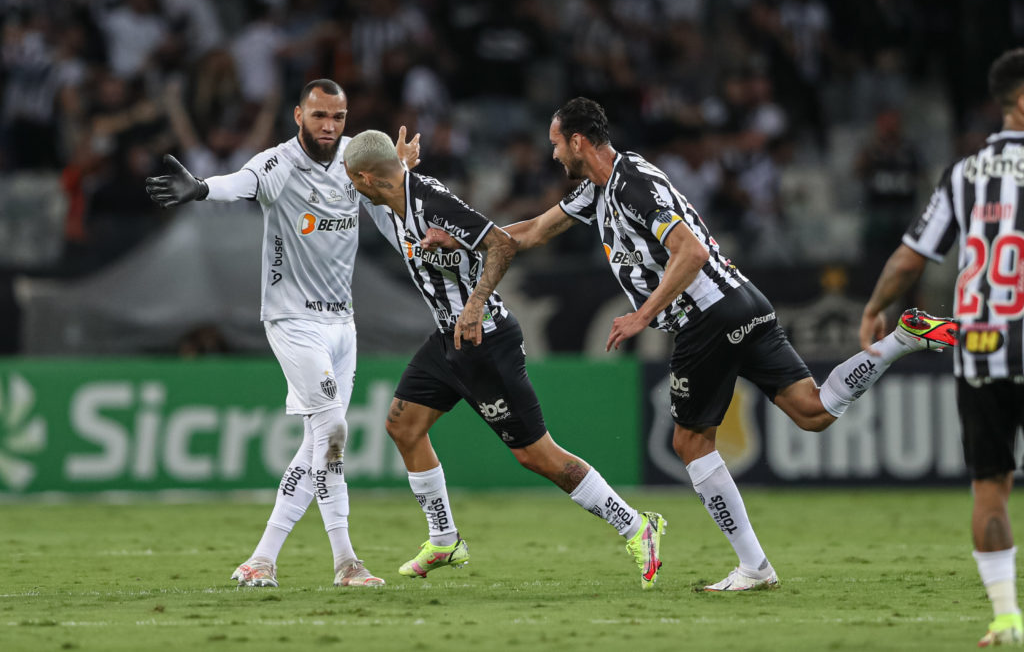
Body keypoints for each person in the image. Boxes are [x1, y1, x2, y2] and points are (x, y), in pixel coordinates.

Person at [496, 97, 957, 591]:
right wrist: (465, 239)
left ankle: (755, 567)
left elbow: (689, 252)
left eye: (556, 144)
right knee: (814, 410)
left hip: (707, 314)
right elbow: (532, 231)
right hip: (744, 301)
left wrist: (642, 315)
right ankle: (902, 339)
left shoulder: (632, 186)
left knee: (690, 442)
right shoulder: (599, 190)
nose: (553, 156)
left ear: (579, 142)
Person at [342, 129, 667, 589]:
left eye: (354, 178)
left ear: (366, 177)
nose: (351, 185)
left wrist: (474, 305)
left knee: (538, 456)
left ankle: (637, 526)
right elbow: (390, 181)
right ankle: (444, 539)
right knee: (403, 425)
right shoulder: (391, 194)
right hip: (447, 339)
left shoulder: (431, 203)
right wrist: (401, 163)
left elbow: (501, 243)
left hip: (484, 339)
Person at [145, 79, 421, 588]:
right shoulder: (278, 164)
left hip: (343, 324)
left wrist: (399, 180)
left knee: (315, 445)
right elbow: (240, 183)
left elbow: (394, 220)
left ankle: (261, 559)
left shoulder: (355, 166)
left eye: (337, 117)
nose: (329, 127)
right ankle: (346, 562)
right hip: (293, 321)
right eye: (319, 116)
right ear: (298, 114)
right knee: (334, 432)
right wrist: (203, 188)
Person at [860, 49, 1024, 647]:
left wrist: (876, 306)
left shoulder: (963, 174)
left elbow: (911, 256)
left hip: (979, 350)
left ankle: (1006, 618)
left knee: (990, 491)